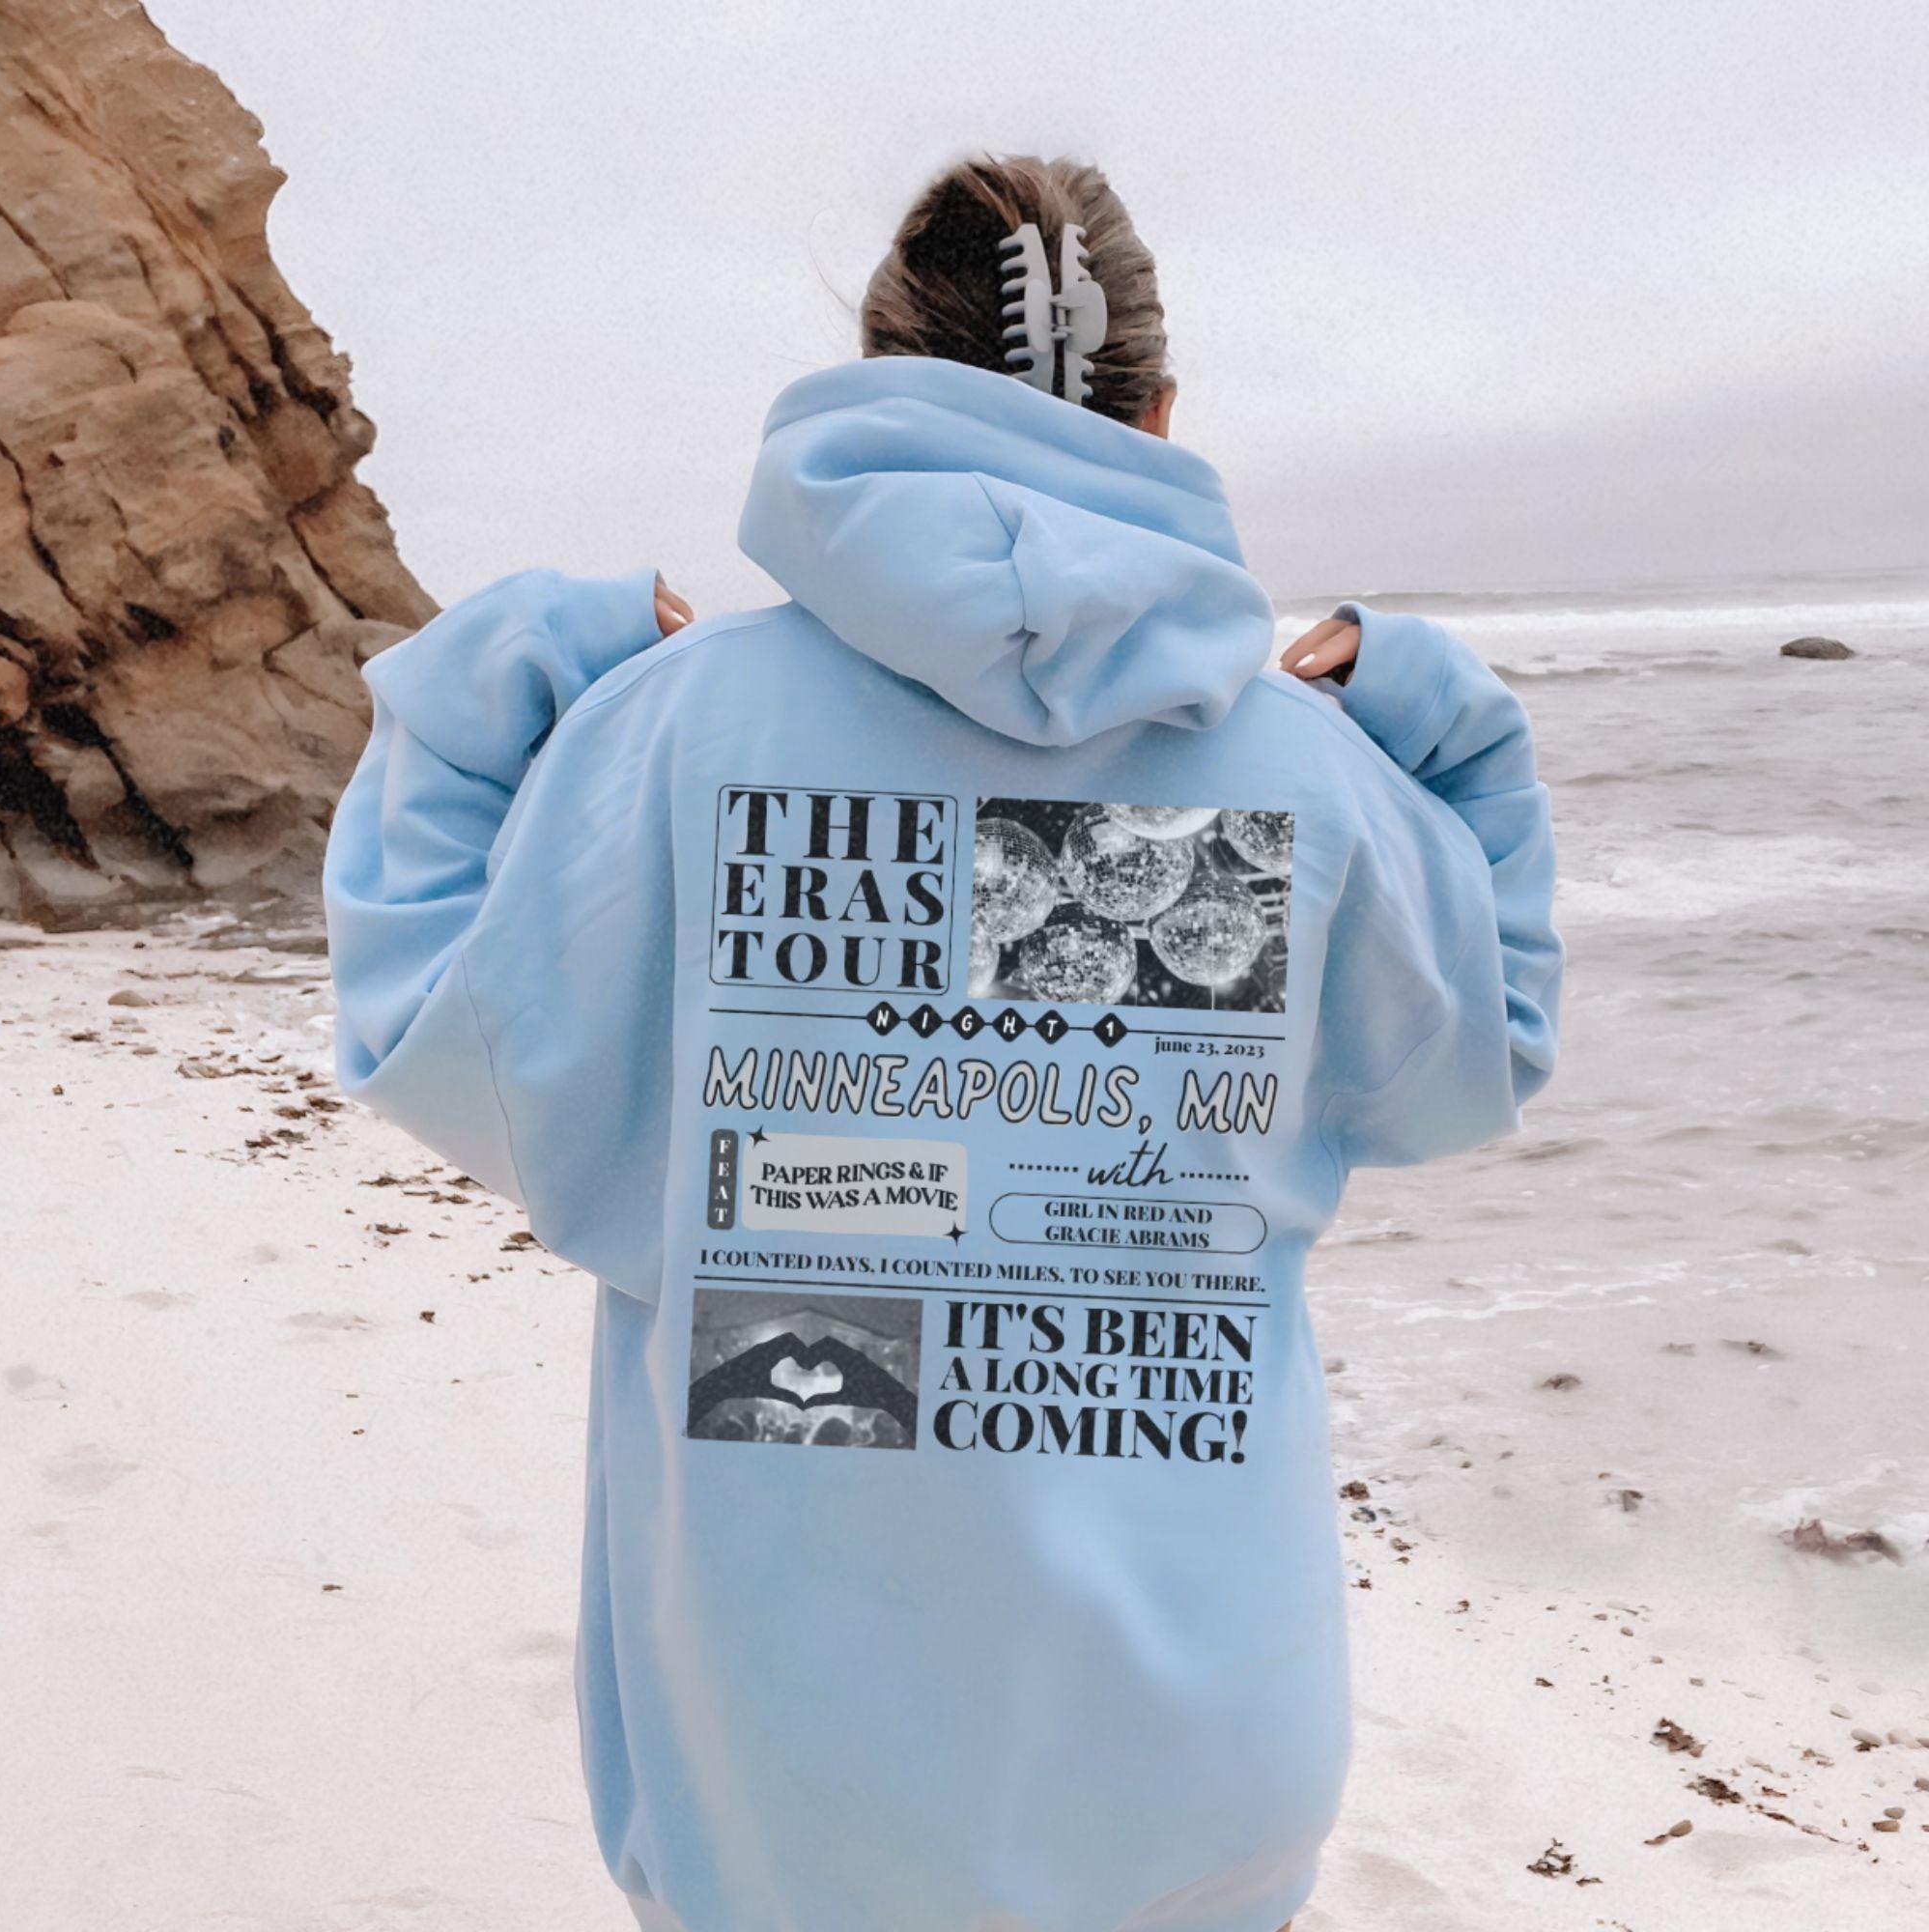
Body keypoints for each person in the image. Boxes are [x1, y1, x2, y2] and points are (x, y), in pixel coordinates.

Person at [325, 153, 1562, 1932]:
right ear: (1156, 412)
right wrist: (1430, 705)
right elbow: (1490, 1042)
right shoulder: (1313, 779)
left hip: (779, 1777)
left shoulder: (671, 732)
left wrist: (530, 660)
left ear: (876, 382)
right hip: (1201, 1757)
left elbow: (431, 1031)